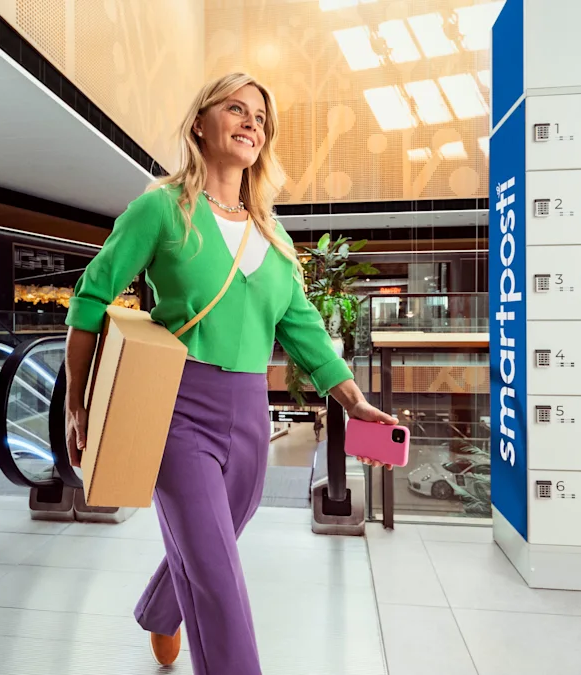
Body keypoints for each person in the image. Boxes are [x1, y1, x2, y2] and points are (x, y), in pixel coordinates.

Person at [62, 72, 396, 674]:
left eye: (261, 119)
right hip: (175, 407)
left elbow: (304, 329)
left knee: (216, 539)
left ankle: (161, 611)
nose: (251, 123)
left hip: (248, 413)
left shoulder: (273, 235)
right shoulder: (162, 209)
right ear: (200, 123)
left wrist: (353, 401)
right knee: (219, 578)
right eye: (236, 109)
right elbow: (90, 298)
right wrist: (77, 402)